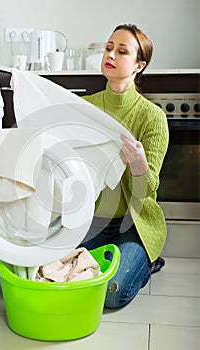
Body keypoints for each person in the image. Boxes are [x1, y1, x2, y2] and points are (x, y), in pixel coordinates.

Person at [79, 24, 169, 309]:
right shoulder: (83, 107)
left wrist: (140, 167)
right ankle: (125, 260)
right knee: (57, 273)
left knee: (111, 292)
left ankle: (144, 263)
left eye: (122, 51)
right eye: (108, 48)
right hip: (91, 221)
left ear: (139, 65)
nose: (111, 55)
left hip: (134, 224)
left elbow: (146, 193)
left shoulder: (152, 118)